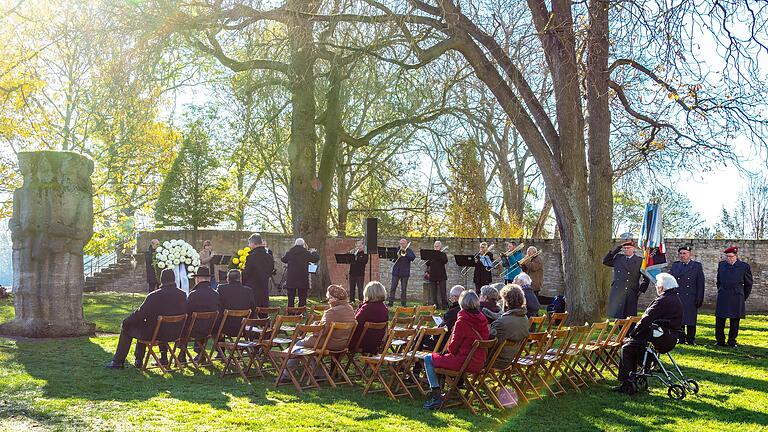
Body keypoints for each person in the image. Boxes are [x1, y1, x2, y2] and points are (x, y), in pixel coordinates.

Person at [614, 272, 683, 394]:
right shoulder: (676, 298)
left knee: (627, 348)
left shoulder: (661, 301)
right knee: (637, 347)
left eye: (657, 285)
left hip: (659, 338)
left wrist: (632, 334)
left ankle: (627, 383)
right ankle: (639, 376)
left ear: (662, 287)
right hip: (669, 337)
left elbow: (646, 320)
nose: (656, 287)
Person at [106, 268, 187, 369]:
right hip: (175, 333)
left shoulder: (154, 296)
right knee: (144, 324)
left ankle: (119, 361)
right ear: (174, 279)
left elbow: (140, 314)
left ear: (161, 280)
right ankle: (154, 358)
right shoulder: (182, 295)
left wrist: (126, 321)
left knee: (129, 326)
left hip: (156, 334)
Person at [422, 290, 490, 409]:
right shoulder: (483, 319)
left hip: (464, 362)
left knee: (429, 358)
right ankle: (443, 390)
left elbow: (453, 348)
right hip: (479, 361)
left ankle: (436, 395)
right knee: (438, 358)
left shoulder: (462, 321)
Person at [280, 285, 356, 380]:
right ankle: (319, 372)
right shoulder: (349, 309)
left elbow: (320, 332)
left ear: (334, 298)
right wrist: (319, 324)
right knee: (310, 347)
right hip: (343, 343)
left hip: (329, 343)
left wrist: (313, 328)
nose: (328, 300)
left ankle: (287, 375)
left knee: (299, 344)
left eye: (329, 298)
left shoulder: (331, 312)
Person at [714, 246, 753, 347]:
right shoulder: (722, 265)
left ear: (736, 256)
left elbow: (748, 284)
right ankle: (720, 341)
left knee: (735, 321)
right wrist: (721, 290)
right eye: (727, 256)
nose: (729, 259)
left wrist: (743, 296)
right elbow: (718, 281)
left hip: (737, 296)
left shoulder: (744, 266)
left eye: (731, 257)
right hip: (723, 295)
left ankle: (732, 341)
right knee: (720, 320)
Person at [603, 240, 650, 319]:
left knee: (630, 317)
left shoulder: (640, 261)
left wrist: (640, 291)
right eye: (624, 248)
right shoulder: (618, 258)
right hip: (618, 291)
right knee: (619, 317)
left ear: (633, 249)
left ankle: (630, 331)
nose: (626, 249)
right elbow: (605, 261)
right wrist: (617, 249)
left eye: (628, 248)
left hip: (631, 292)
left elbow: (646, 278)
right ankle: (621, 331)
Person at [668, 245, 705, 345]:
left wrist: (699, 297)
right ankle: (681, 338)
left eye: (685, 253)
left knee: (691, 319)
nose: (682, 255)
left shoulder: (696, 266)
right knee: (679, 318)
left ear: (690, 254)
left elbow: (700, 283)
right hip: (678, 296)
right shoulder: (675, 265)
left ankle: (691, 339)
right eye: (680, 253)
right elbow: (670, 281)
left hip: (691, 297)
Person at [182, 267, 219, 362]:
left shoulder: (194, 294)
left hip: (196, 330)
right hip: (212, 328)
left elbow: (187, 312)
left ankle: (182, 356)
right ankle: (200, 353)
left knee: (183, 324)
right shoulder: (215, 294)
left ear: (198, 279)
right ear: (209, 279)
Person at [488, 284, 529, 368]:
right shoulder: (525, 318)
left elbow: (487, 339)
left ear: (506, 301)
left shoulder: (502, 322)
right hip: (511, 358)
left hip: (495, 360)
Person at [348, 281, 389, 354]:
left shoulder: (366, 308)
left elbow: (354, 323)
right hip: (376, 343)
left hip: (360, 343)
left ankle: (335, 364)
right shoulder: (384, 308)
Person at [281, 238, 320, 308]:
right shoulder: (306, 253)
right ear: (303, 245)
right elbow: (315, 259)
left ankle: (291, 312)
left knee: (291, 297)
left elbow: (283, 259)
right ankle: (300, 312)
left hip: (291, 278)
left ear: (295, 244)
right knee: (302, 296)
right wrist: (313, 252)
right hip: (303, 278)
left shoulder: (290, 252)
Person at [216, 269, 256, 337]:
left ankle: (220, 346)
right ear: (240, 279)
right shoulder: (248, 291)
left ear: (228, 279)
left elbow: (217, 305)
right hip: (243, 327)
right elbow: (253, 309)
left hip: (225, 327)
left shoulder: (221, 289)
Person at [242, 233, 275, 308]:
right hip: (264, 289)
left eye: (249, 244)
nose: (249, 246)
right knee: (263, 313)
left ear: (253, 244)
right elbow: (271, 271)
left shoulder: (251, 257)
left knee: (252, 314)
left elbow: (246, 274)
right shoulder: (269, 257)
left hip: (252, 289)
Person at [389, 238, 416, 306]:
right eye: (400, 243)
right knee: (393, 287)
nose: (402, 245)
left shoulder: (409, 250)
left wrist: (405, 253)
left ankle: (403, 303)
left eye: (403, 243)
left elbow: (413, 257)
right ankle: (390, 302)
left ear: (406, 244)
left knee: (404, 289)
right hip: (396, 272)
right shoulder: (396, 250)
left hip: (405, 273)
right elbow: (391, 259)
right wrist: (396, 256)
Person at [426, 240, 449, 309]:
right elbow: (427, 263)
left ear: (440, 247)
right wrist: (428, 258)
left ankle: (444, 305)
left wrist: (438, 255)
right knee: (433, 292)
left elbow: (445, 261)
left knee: (443, 291)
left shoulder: (443, 254)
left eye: (437, 246)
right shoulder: (431, 255)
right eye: (435, 246)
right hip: (432, 275)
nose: (436, 247)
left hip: (441, 275)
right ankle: (435, 306)